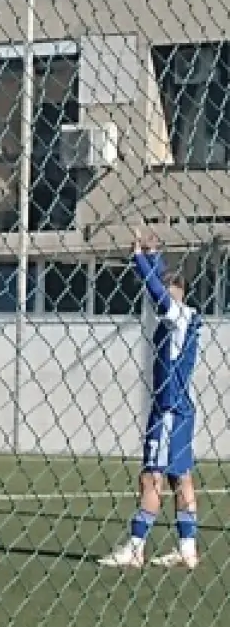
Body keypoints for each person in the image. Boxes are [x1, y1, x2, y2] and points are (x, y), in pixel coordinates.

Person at [102, 234, 202, 569]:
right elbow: (160, 285)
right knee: (180, 478)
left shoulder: (175, 315)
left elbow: (157, 290)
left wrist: (137, 258)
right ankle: (187, 550)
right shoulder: (184, 316)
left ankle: (135, 548)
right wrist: (153, 253)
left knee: (151, 477)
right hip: (180, 409)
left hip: (168, 410)